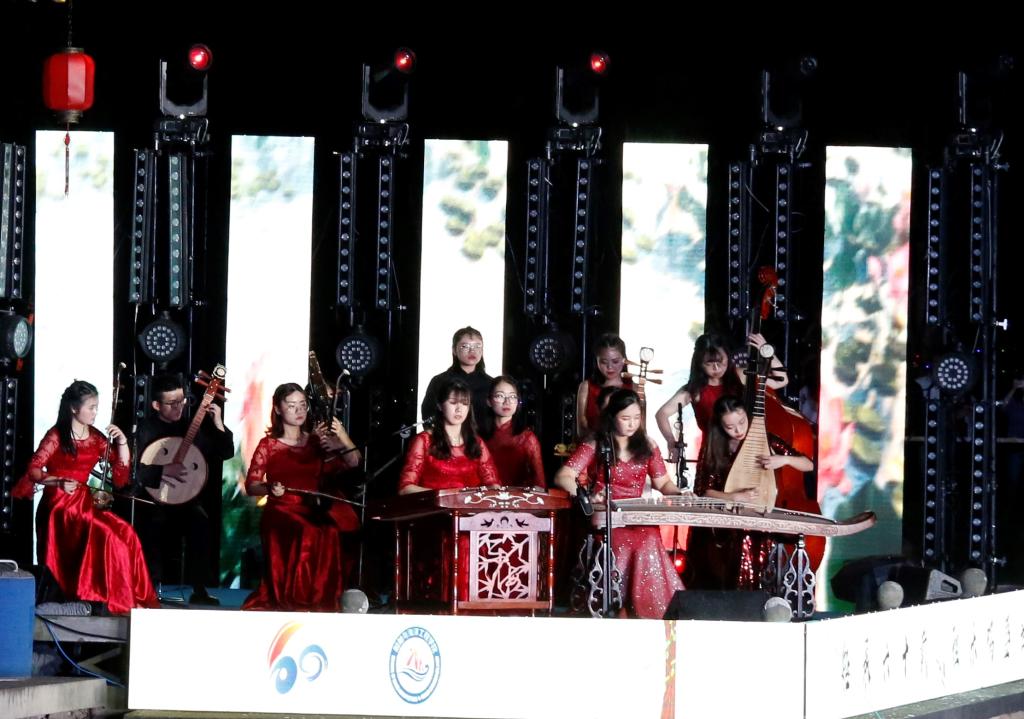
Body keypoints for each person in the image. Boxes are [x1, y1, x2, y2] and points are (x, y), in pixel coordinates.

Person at [13, 381, 159, 615]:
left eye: (96, 407)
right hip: (59, 505)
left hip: (83, 502)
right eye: (91, 407)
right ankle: (100, 596)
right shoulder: (56, 436)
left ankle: (119, 595)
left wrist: (122, 441)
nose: (95, 412)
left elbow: (120, 470)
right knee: (108, 535)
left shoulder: (95, 437)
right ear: (74, 408)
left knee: (126, 533)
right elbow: (33, 469)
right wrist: (57, 481)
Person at [555, 389, 684, 619]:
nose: (632, 424)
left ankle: (649, 610)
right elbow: (564, 476)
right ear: (612, 417)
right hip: (607, 516)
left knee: (649, 539)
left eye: (636, 417)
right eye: (625, 418)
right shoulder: (597, 443)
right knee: (623, 543)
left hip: (637, 516)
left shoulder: (648, 445)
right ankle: (617, 605)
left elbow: (663, 482)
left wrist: (680, 493)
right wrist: (587, 496)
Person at [242, 383, 362, 611]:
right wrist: (270, 489)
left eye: (302, 405)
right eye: (291, 406)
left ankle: (321, 600)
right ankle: (298, 600)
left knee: (330, 530)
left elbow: (353, 463)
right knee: (308, 531)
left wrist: (342, 440)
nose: (298, 411)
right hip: (282, 510)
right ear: (278, 409)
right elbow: (252, 485)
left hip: (312, 508)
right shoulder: (269, 445)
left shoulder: (316, 442)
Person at [685, 395, 813, 590]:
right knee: (735, 542)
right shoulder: (714, 447)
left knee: (752, 537)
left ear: (748, 416)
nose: (738, 430)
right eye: (730, 427)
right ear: (720, 426)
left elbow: (808, 465)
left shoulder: (765, 440)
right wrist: (733, 497)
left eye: (742, 422)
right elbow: (703, 492)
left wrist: (785, 460)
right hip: (724, 526)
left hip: (759, 520)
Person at [133, 374, 234, 605]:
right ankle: (149, 589)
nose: (178, 407)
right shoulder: (145, 429)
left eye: (182, 401)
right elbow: (133, 470)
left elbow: (226, 452)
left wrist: (218, 422)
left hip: (186, 499)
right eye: (171, 403)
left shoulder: (192, 425)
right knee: (152, 525)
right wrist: (163, 470)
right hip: (153, 499)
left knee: (201, 523)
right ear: (156, 405)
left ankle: (199, 589)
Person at [655, 332, 787, 461]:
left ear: (728, 356)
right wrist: (671, 442)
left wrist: (767, 351)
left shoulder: (741, 375)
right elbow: (662, 414)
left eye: (720, 361)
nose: (716, 368)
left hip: (748, 451)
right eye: (709, 364)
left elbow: (781, 381)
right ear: (699, 363)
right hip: (714, 455)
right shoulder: (694, 390)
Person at [401, 377, 500, 493]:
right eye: (453, 402)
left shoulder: (476, 442)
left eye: (465, 404)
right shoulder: (424, 441)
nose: (459, 409)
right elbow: (405, 488)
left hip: (470, 504)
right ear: (440, 405)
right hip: (435, 504)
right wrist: (447, 494)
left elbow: (493, 484)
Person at [478, 375, 546, 488]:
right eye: (500, 396)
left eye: (512, 397)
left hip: (518, 497)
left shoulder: (527, 438)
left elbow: (539, 482)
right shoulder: (478, 436)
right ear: (489, 401)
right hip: (485, 496)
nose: (507, 402)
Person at [420, 326, 493, 425]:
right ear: (454, 350)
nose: (472, 351)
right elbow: (428, 416)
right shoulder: (440, 381)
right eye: (465, 346)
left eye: (477, 346)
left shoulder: (491, 383)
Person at [576, 333, 635, 439]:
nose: (610, 367)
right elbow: (581, 428)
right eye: (603, 362)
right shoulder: (587, 387)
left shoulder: (633, 387)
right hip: (593, 445)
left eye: (615, 361)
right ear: (597, 361)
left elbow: (640, 429)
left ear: (624, 360)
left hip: (626, 448)